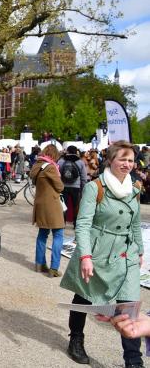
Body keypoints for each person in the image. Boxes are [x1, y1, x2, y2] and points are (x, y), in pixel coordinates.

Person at [60, 140, 143, 367]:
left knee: (129, 306)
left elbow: (135, 223)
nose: (127, 164)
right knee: (85, 297)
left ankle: (133, 360)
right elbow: (83, 224)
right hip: (99, 251)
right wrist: (85, 257)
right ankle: (76, 339)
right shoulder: (95, 187)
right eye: (122, 159)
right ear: (111, 161)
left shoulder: (135, 189)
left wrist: (140, 250)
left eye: (131, 160)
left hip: (126, 254)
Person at [29, 144, 64, 277]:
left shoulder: (37, 165)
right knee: (58, 234)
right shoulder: (50, 167)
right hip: (52, 205)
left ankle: (39, 264)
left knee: (42, 234)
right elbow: (60, 187)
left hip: (40, 204)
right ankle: (54, 268)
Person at [59, 145, 88, 228]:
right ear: (76, 152)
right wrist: (83, 188)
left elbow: (57, 174)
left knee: (63, 205)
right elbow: (83, 177)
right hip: (76, 187)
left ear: (67, 151)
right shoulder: (80, 162)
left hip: (63, 186)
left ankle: (62, 223)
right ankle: (76, 223)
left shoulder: (61, 161)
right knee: (76, 205)